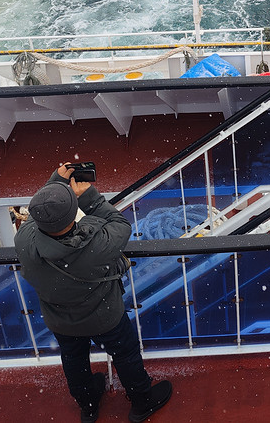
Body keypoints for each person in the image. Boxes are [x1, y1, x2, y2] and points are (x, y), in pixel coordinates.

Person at [16, 165, 172, 423]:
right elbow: (120, 224)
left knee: (74, 360)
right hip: (105, 317)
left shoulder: (24, 239)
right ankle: (142, 402)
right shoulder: (95, 245)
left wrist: (56, 183)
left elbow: (40, 213)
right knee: (125, 354)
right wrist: (88, 196)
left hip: (61, 321)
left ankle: (88, 406)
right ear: (71, 217)